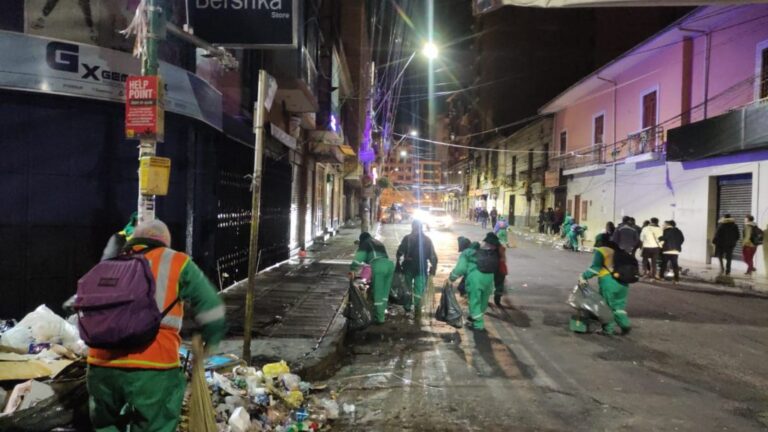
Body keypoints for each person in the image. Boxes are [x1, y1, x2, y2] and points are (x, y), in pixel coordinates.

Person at [87, 220, 227, 432]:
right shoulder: (175, 261)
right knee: (155, 425)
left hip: (101, 365)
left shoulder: (109, 263)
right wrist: (211, 340)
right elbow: (212, 307)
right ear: (164, 241)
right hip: (153, 367)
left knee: (106, 426)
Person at [579, 233, 631, 335]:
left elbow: (596, 268)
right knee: (618, 306)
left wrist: (583, 276)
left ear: (600, 241)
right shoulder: (619, 250)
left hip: (609, 281)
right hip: (624, 281)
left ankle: (608, 329)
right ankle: (625, 324)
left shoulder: (602, 250)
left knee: (607, 306)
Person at [449, 233, 497, 330]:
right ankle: (475, 317)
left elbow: (460, 269)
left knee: (474, 301)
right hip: (489, 278)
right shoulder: (485, 251)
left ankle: (478, 324)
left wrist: (452, 278)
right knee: (483, 301)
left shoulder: (467, 253)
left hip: (476, 279)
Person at [351, 232, 395, 324]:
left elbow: (358, 260)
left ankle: (380, 318)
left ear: (362, 239)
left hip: (379, 266)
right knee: (385, 292)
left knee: (378, 293)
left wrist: (352, 269)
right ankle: (382, 313)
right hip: (390, 265)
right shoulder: (378, 242)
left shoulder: (365, 243)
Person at [396, 221, 438, 316]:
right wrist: (433, 268)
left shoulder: (407, 238)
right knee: (419, 289)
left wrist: (398, 262)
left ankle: (407, 307)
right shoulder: (427, 240)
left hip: (408, 267)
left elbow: (400, 252)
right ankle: (417, 307)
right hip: (421, 268)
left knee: (407, 288)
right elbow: (432, 256)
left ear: (412, 227)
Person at [494, 241, 508, 307]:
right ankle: (497, 299)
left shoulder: (487, 249)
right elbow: (504, 259)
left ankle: (484, 299)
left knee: (487, 285)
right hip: (500, 269)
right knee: (499, 284)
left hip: (490, 269)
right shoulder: (501, 248)